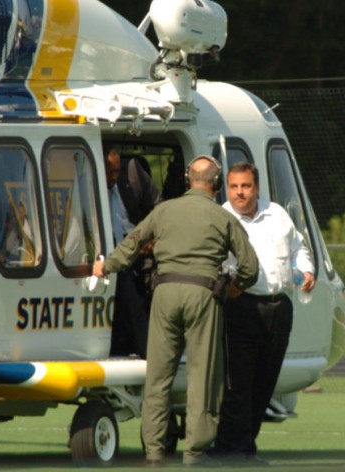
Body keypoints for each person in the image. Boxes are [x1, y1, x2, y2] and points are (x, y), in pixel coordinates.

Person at [93, 155, 259, 467]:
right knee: (202, 377)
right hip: (204, 294)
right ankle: (194, 453)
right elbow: (250, 268)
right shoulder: (223, 218)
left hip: (165, 293)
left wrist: (105, 266)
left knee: (158, 376)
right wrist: (233, 287)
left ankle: (154, 452)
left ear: (187, 180)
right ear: (216, 183)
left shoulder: (164, 210)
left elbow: (131, 244)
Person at [211, 161, 315, 465]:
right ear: (227, 188)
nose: (239, 193)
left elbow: (299, 248)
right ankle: (227, 450)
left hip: (280, 308)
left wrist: (306, 270)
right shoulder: (220, 218)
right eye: (234, 186)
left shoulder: (277, 214)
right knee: (237, 386)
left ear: (257, 188)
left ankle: (245, 449)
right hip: (241, 306)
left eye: (245, 186)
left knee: (264, 385)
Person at [104, 147, 161, 357]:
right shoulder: (88, 187)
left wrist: (152, 238)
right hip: (114, 255)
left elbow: (160, 209)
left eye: (116, 171)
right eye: (109, 172)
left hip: (138, 245)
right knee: (129, 294)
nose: (113, 177)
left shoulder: (132, 174)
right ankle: (149, 353)